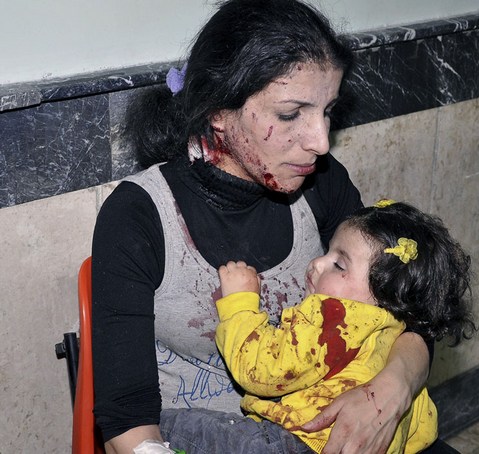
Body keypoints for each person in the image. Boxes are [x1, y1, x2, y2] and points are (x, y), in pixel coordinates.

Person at [92, 0, 434, 452]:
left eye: (328, 110)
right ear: (218, 111)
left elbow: (409, 309)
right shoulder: (138, 214)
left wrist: (394, 386)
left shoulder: (323, 183)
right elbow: (126, 418)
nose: (320, 141)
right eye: (291, 115)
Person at [212, 201, 476, 453]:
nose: (317, 263)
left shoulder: (334, 320)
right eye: (328, 251)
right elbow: (423, 431)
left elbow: (262, 371)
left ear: (385, 297)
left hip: (293, 443)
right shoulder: (394, 334)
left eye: (338, 265)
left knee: (189, 427)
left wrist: (239, 305)